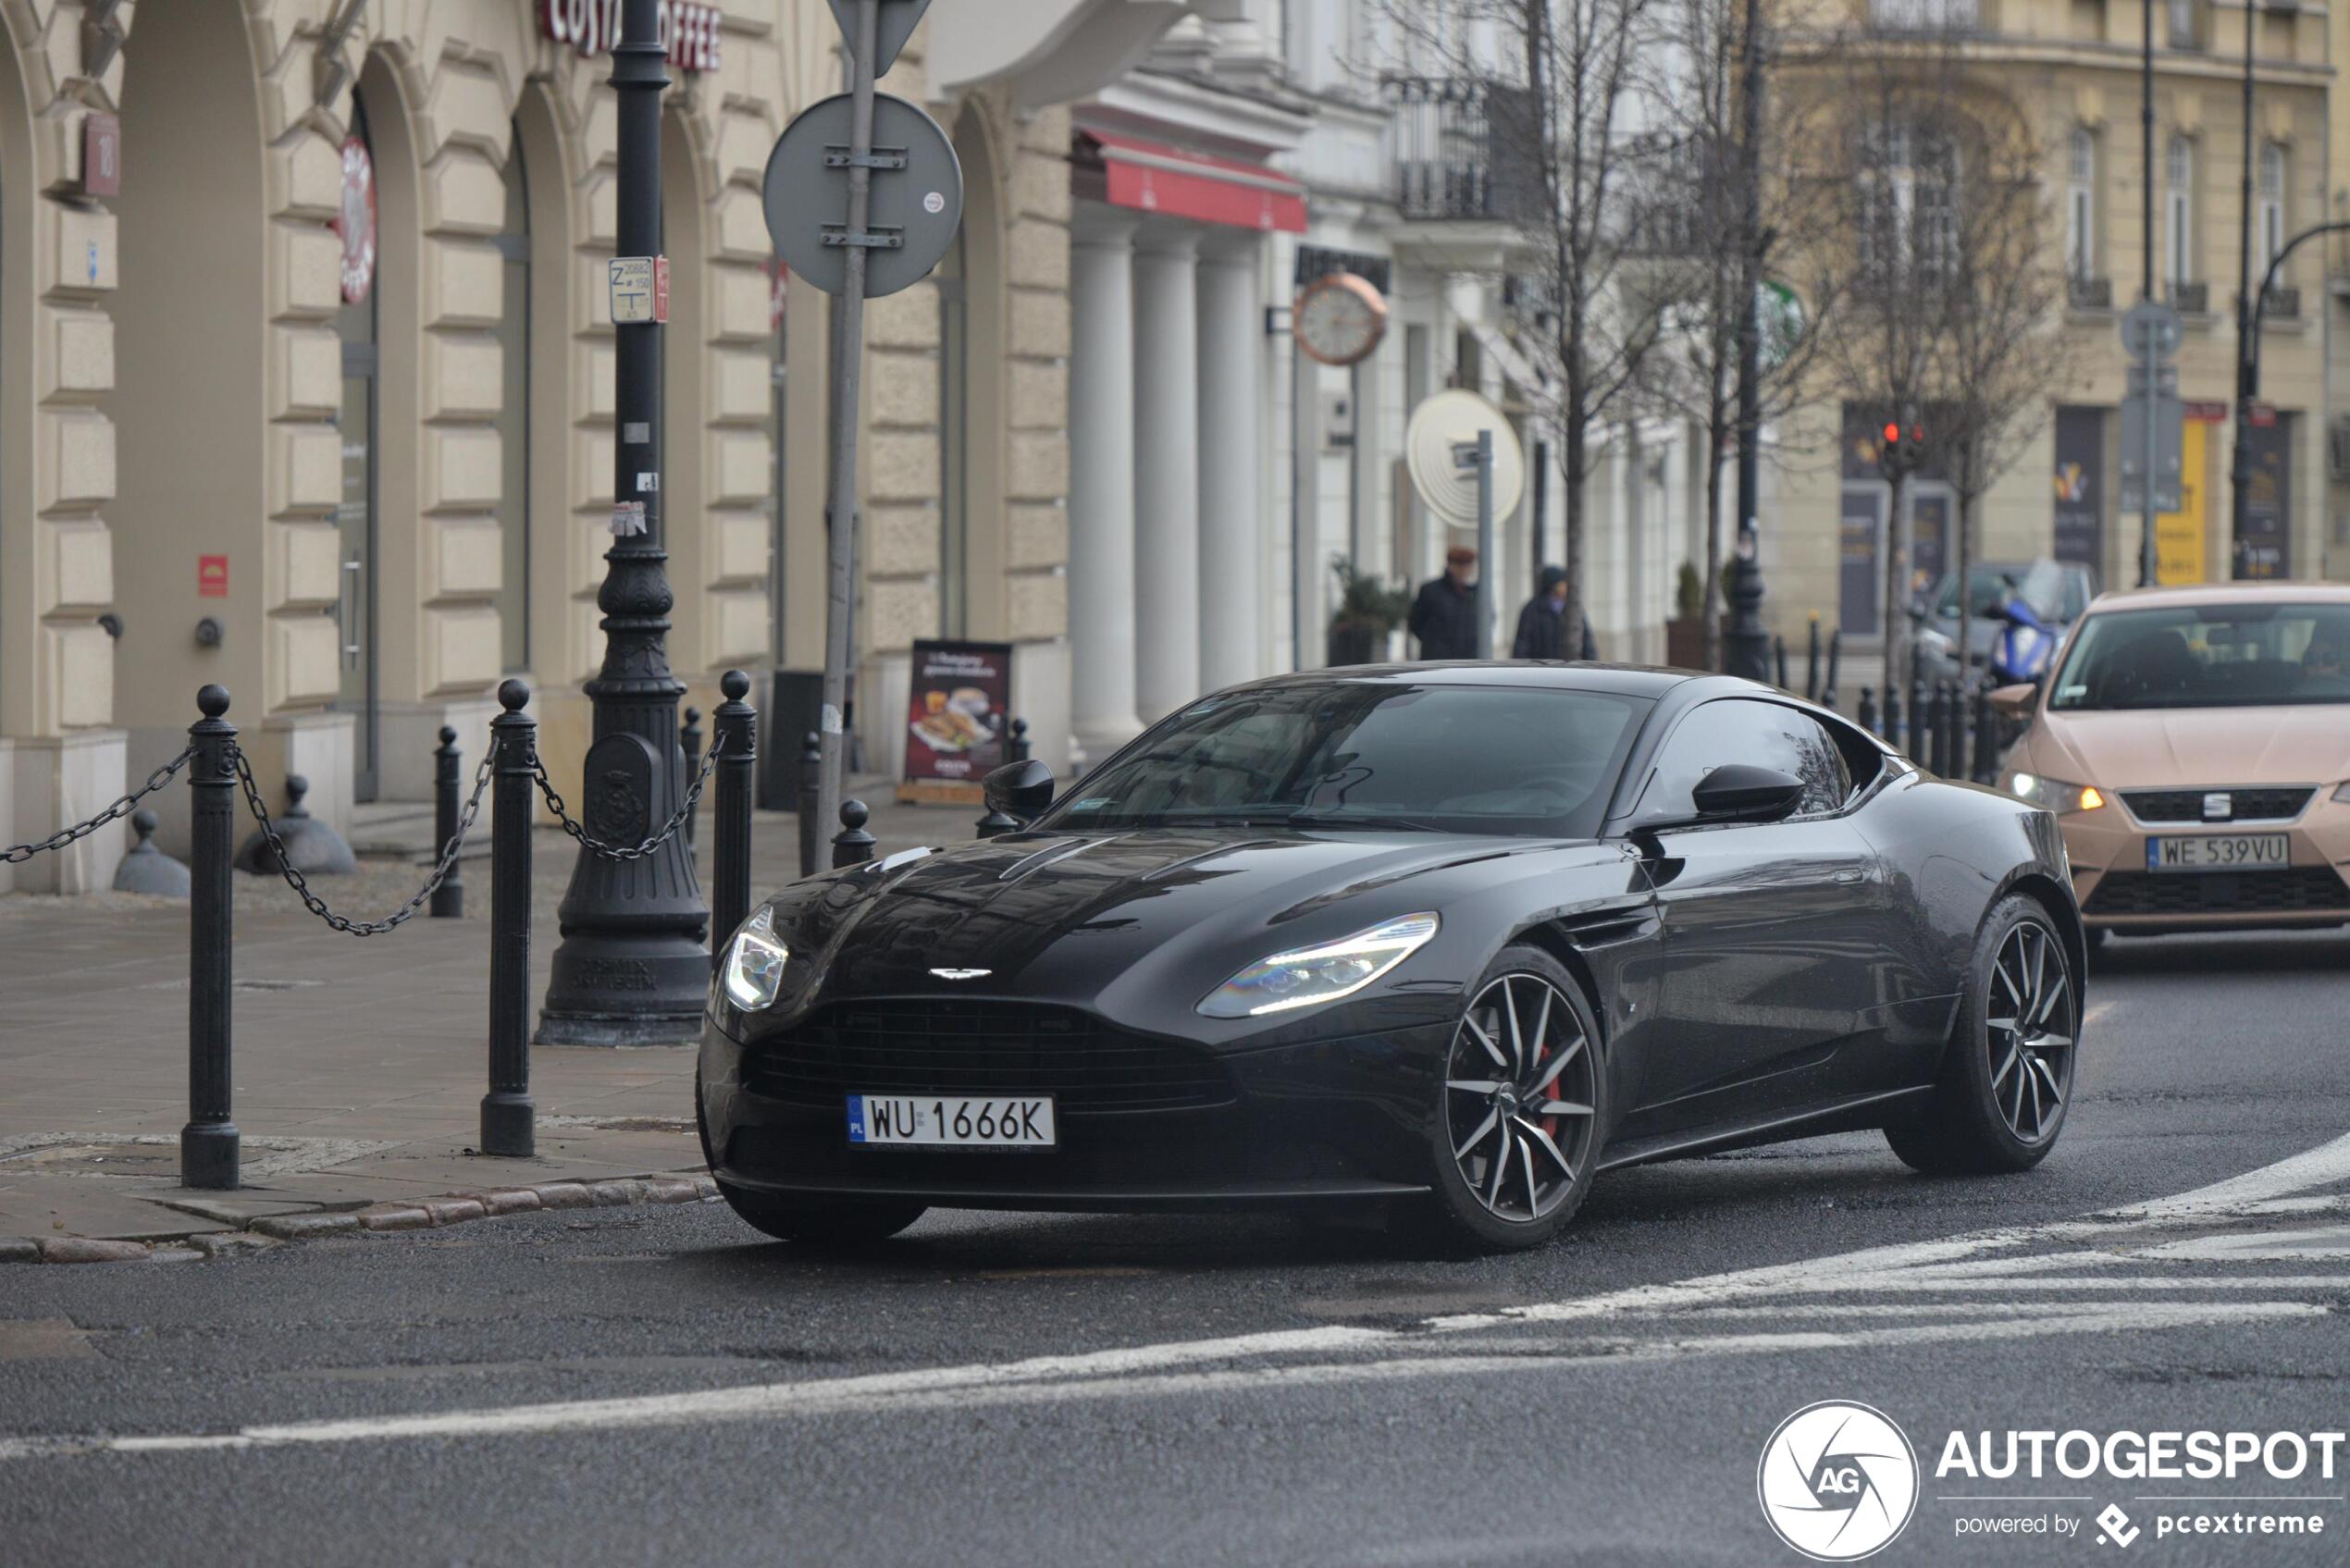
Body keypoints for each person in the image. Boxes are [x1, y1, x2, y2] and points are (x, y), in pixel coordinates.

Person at [1511, 565, 1599, 661]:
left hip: (1569, 668)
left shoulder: (1573, 607)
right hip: (1540, 669)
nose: (1567, 586)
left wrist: (1591, 662)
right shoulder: (1532, 609)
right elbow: (1522, 644)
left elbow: (1586, 640)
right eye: (1563, 583)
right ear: (1553, 585)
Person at [1408, 546, 1481, 661]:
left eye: (1469, 566)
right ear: (1451, 566)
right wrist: (1432, 642)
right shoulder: (1430, 590)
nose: (1465, 571)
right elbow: (1415, 622)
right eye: (1461, 566)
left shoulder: (1478, 593)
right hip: (1438, 660)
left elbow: (1488, 619)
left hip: (1470, 659)